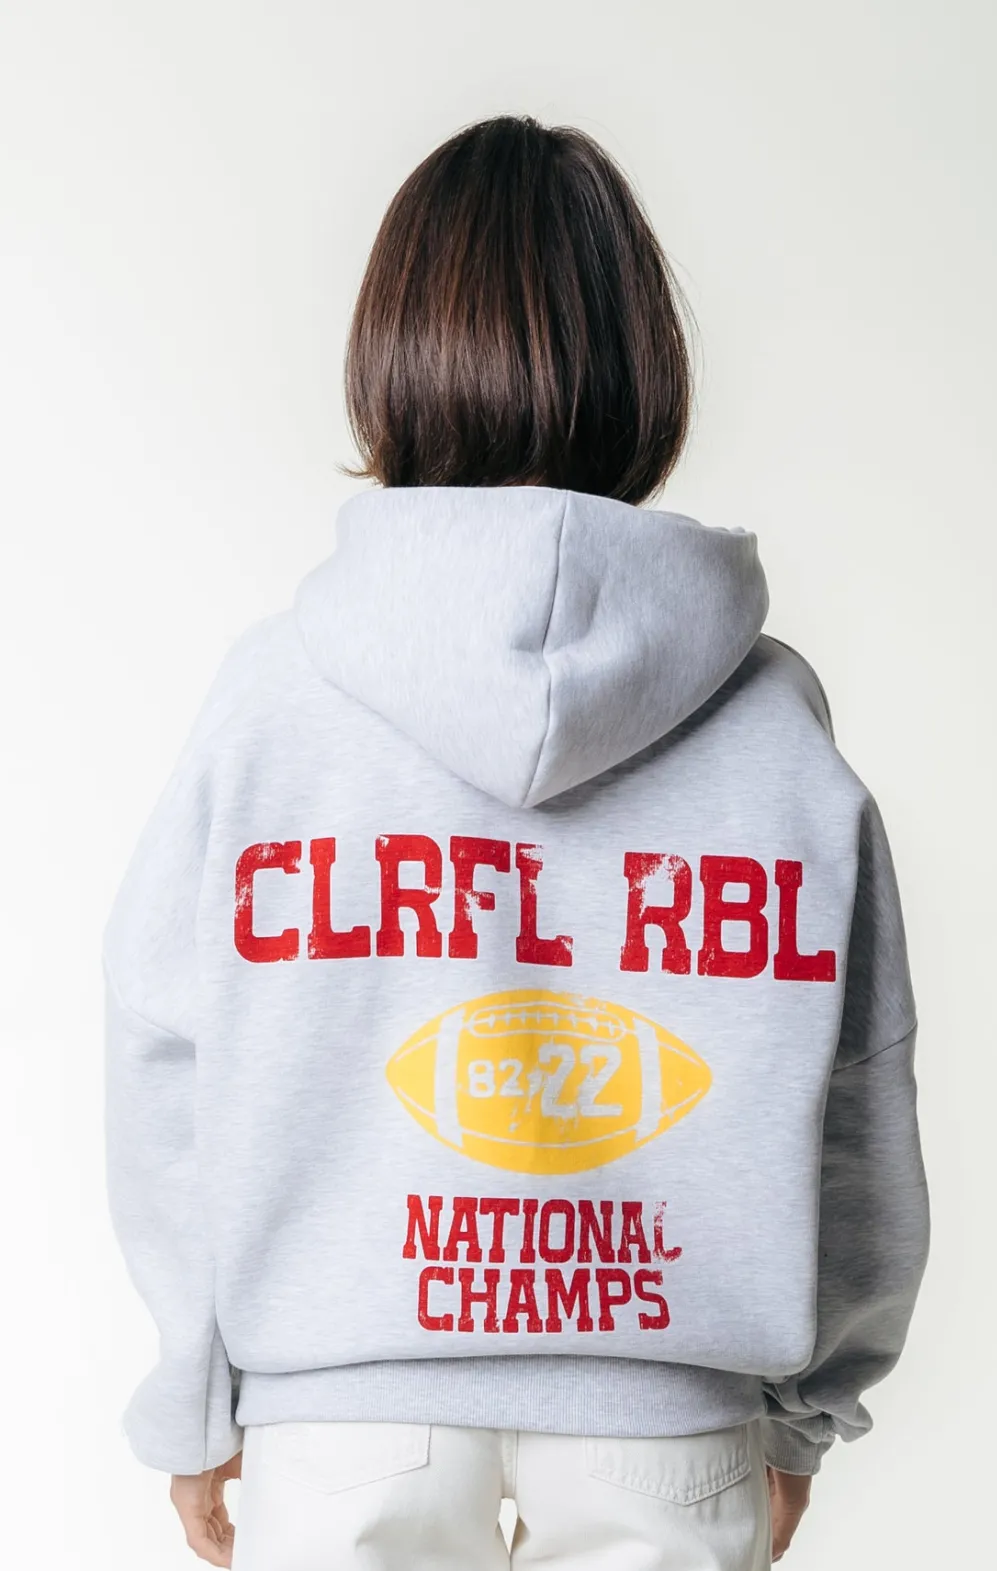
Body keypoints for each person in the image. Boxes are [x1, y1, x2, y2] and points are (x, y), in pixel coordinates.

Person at [103, 115, 929, 1571]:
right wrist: (807, 1411)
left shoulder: (276, 698)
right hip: (668, 1409)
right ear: (644, 366)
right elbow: (863, 1086)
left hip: (342, 1408)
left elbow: (168, 1055)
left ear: (393, 353)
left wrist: (193, 1392)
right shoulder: (771, 721)